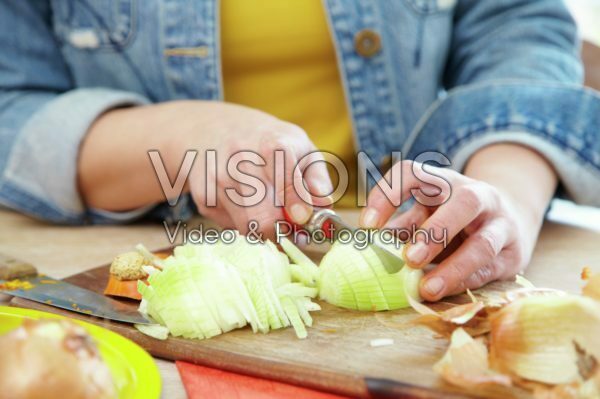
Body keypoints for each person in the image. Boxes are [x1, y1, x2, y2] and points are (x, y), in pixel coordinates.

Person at [1, 0, 599, 302]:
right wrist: (184, 132)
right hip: (147, 257)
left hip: (427, 246)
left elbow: (516, 25)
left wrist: (507, 200)